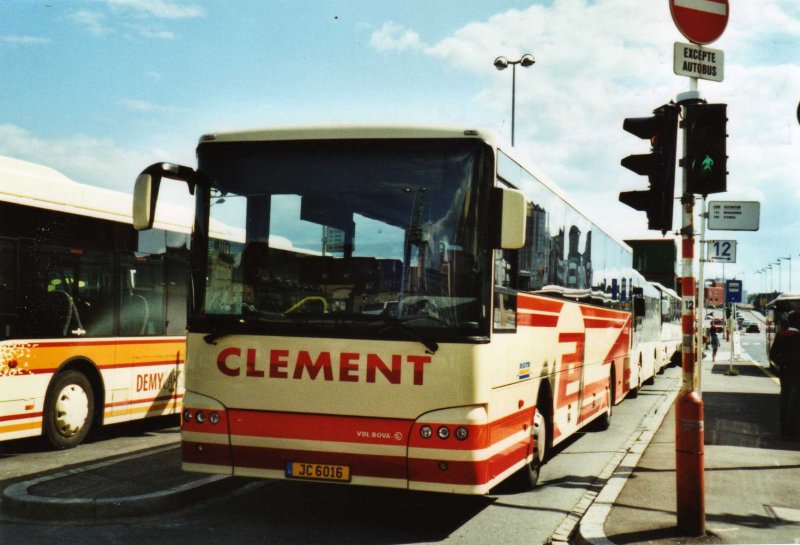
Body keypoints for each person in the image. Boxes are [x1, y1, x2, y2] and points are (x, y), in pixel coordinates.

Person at [768, 311, 800, 439]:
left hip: (784, 373)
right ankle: (793, 430)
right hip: (797, 373)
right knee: (795, 401)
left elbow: (772, 355)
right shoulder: (798, 336)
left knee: (785, 399)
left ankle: (784, 429)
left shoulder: (781, 335)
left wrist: (782, 365)